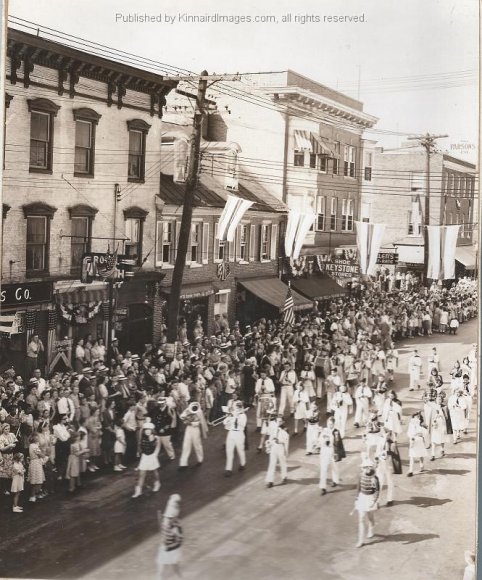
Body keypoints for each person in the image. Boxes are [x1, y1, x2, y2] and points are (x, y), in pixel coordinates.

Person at [354, 455, 380, 548]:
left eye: (366, 467)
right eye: (363, 467)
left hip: (370, 499)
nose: (364, 469)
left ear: (370, 468)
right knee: (361, 519)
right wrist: (356, 499)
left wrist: (375, 501)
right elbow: (358, 487)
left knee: (370, 517)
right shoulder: (361, 475)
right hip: (362, 498)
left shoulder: (375, 478)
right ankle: (361, 540)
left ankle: (371, 529)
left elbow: (377, 491)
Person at [157, 494, 183, 580]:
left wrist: (168, 547)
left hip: (170, 550)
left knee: (174, 566)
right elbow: (163, 529)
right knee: (162, 570)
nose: (167, 519)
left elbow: (179, 541)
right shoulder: (166, 520)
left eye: (170, 518)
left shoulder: (176, 526)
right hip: (165, 547)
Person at [132, 422, 161, 498]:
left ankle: (157, 483)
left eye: (149, 430)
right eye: (146, 430)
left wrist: (155, 455)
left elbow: (157, 447)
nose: (147, 431)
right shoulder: (142, 437)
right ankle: (138, 491)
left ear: (152, 430)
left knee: (154, 472)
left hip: (152, 456)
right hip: (144, 457)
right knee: (142, 474)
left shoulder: (155, 437)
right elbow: (141, 446)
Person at [374, 427, 401, 507]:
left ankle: (389, 499)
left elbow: (396, 456)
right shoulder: (380, 441)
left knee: (390, 482)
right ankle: (377, 501)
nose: (387, 435)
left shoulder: (392, 443)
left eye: (388, 434)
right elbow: (377, 453)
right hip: (381, 465)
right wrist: (376, 462)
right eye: (385, 433)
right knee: (379, 482)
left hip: (388, 466)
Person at [178, 402, 208, 470]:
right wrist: (185, 419)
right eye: (193, 405)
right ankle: (183, 464)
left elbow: (201, 422)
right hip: (188, 429)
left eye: (196, 405)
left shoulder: (199, 411)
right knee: (186, 446)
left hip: (195, 429)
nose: (194, 407)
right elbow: (181, 416)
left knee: (197, 445)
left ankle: (200, 460)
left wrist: (192, 423)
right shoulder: (188, 409)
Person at [223, 400, 247, 476]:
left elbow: (242, 425)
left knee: (240, 450)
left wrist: (236, 417)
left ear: (240, 408)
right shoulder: (231, 415)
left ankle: (242, 464)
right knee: (229, 451)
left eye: (238, 407)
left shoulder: (243, 416)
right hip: (231, 433)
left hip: (239, 434)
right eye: (235, 407)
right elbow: (224, 423)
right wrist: (229, 417)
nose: (236, 409)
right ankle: (228, 469)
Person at [265, 417, 289, 488]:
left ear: (283, 422)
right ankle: (270, 481)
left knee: (283, 462)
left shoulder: (285, 430)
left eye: (280, 421)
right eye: (277, 421)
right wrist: (268, 446)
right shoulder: (273, 429)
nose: (279, 422)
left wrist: (286, 451)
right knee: (272, 464)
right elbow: (270, 438)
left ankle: (284, 476)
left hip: (281, 447)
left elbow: (286, 441)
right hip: (274, 447)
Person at [407, 412, 428, 476]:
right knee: (412, 455)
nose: (417, 418)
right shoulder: (411, 425)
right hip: (413, 440)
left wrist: (422, 434)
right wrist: (412, 437)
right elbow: (409, 433)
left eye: (419, 417)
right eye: (416, 417)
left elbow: (425, 433)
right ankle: (411, 470)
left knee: (421, 454)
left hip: (419, 440)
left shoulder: (421, 425)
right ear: (413, 417)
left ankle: (422, 466)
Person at [27, 433, 45, 502]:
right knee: (37, 480)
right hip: (36, 464)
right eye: (37, 437)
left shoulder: (33, 445)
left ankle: (35, 494)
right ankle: (32, 495)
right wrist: (43, 454)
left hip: (36, 463)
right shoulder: (34, 446)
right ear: (34, 438)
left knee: (37, 480)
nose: (38, 438)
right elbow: (41, 455)